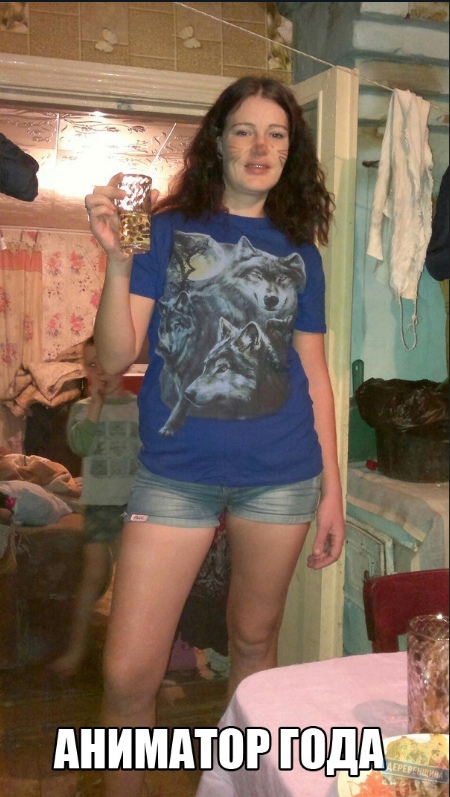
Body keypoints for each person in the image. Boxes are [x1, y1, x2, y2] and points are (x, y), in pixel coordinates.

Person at [85, 76, 345, 797]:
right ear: (218, 142)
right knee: (127, 675)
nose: (260, 146)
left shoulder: (302, 253)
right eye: (244, 130)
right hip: (175, 476)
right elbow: (115, 356)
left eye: (277, 133)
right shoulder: (162, 229)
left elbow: (315, 375)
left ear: (291, 151)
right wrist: (116, 260)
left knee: (254, 646)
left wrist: (332, 493)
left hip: (282, 474)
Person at [49, 335, 140, 677]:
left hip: (132, 504)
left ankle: (128, 655)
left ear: (123, 364)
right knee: (92, 577)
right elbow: (81, 446)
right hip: (99, 505)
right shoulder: (82, 409)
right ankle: (76, 652)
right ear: (84, 371)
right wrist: (97, 406)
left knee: (130, 581)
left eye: (106, 362)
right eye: (91, 364)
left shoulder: (139, 408)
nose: (100, 371)